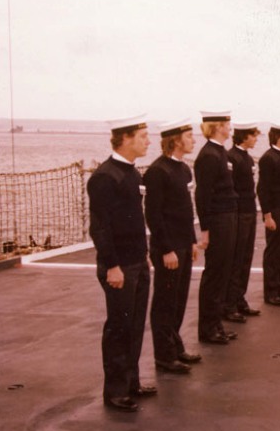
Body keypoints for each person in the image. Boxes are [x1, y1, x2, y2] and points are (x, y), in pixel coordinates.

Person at [87, 114, 154, 413]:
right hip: (119, 267)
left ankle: (131, 382)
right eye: (143, 137)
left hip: (137, 262)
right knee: (119, 327)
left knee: (135, 325)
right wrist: (112, 266)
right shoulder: (105, 177)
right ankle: (115, 392)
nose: (148, 141)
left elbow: (135, 222)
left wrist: (144, 254)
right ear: (125, 139)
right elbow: (100, 227)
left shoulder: (132, 173)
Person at [143, 118, 202, 375]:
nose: (193, 140)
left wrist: (192, 241)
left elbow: (186, 211)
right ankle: (164, 356)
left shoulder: (184, 170)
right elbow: (153, 215)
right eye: (189, 136)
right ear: (176, 140)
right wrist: (166, 249)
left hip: (183, 244)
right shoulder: (158, 171)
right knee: (165, 301)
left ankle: (175, 346)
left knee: (178, 299)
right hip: (167, 247)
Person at [194, 110, 239, 345]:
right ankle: (207, 328)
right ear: (218, 126)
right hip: (218, 219)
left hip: (227, 216)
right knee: (215, 273)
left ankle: (216, 324)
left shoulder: (220, 152)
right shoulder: (209, 155)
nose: (230, 128)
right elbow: (202, 195)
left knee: (223, 271)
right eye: (227, 124)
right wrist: (205, 229)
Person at [224, 122, 262, 322]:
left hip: (249, 211)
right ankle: (229, 304)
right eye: (253, 135)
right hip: (239, 214)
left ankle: (240, 299)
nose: (255, 139)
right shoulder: (232, 157)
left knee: (246, 258)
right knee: (236, 260)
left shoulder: (246, 157)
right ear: (244, 136)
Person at [257, 123, 280, 306]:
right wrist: (267, 215)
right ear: (279, 137)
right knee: (273, 251)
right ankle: (271, 291)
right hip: (276, 210)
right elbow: (263, 189)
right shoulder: (268, 158)